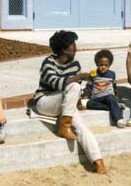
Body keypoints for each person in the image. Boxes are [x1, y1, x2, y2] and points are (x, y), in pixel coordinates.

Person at [31, 30, 107, 174]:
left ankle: (98, 161)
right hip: (46, 102)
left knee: (82, 127)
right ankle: (64, 126)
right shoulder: (48, 63)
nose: (75, 47)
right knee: (74, 85)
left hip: (64, 104)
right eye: (72, 44)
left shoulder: (75, 64)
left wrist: (79, 94)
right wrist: (78, 77)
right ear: (63, 49)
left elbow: (74, 90)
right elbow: (56, 83)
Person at [79, 49, 125, 128]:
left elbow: (114, 86)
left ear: (109, 65)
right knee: (89, 104)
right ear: (97, 64)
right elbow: (89, 87)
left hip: (108, 96)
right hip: (97, 98)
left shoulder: (112, 74)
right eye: (101, 65)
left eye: (106, 65)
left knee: (111, 99)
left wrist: (116, 96)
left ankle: (118, 119)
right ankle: (114, 106)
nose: (103, 67)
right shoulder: (93, 74)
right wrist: (85, 97)